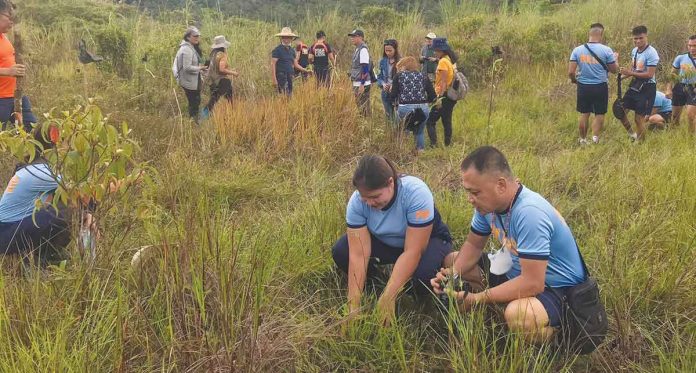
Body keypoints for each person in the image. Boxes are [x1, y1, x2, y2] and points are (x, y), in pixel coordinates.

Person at [431, 146, 594, 344]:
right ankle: (491, 306)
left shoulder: (529, 212)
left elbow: (533, 283)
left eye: (475, 192)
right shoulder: (486, 207)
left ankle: (563, 338)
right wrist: (451, 274)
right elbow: (473, 246)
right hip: (516, 271)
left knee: (518, 315)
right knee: (452, 260)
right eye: (468, 192)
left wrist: (477, 299)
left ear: (500, 185)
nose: (470, 199)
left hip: (558, 289)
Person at [331, 155, 452, 324]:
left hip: (427, 241)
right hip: (388, 243)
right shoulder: (357, 204)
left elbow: (413, 251)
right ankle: (377, 286)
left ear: (390, 183)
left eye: (375, 197)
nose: (369, 203)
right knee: (342, 250)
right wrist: (353, 307)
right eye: (364, 198)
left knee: (421, 277)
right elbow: (358, 255)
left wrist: (390, 295)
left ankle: (421, 295)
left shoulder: (416, 193)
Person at [0, 124, 70, 264]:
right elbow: (82, 194)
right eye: (65, 140)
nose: (68, 146)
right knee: (69, 212)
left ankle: (46, 254)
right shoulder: (43, 172)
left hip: (8, 230)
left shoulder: (34, 166)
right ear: (54, 142)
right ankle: (38, 261)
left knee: (63, 204)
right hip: (7, 234)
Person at [568, 23, 618, 144]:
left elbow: (570, 72)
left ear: (589, 34)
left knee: (584, 113)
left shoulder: (577, 50)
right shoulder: (606, 50)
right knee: (599, 113)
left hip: (583, 87)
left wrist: (575, 81)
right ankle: (595, 139)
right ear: (601, 34)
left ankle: (583, 139)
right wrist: (615, 59)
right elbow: (614, 70)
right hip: (600, 86)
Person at [0, 3, 37, 131]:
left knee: (33, 130)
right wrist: (8, 71)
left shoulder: (4, 37)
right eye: (9, 17)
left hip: (16, 96)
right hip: (1, 99)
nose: (12, 22)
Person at [619, 25, 659, 141]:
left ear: (646, 36)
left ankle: (641, 143)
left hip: (647, 87)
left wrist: (630, 74)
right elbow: (633, 69)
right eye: (635, 39)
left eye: (641, 38)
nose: (638, 41)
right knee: (620, 112)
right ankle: (632, 135)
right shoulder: (634, 51)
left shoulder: (652, 53)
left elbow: (649, 75)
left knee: (638, 118)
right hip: (635, 84)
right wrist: (622, 76)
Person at [389, 56, 436, 152]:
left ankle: (400, 150)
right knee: (419, 132)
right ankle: (420, 152)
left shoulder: (399, 76)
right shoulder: (424, 76)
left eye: (400, 68)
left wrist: (391, 98)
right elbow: (433, 96)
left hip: (405, 107)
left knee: (400, 129)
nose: (399, 70)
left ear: (404, 67)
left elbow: (393, 95)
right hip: (423, 108)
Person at [427, 38, 458, 147]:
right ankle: (447, 144)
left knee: (430, 121)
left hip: (443, 95)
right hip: (449, 96)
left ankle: (433, 144)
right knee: (446, 120)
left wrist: (439, 98)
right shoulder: (448, 59)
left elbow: (443, 82)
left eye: (435, 50)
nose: (434, 52)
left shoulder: (443, 62)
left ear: (440, 50)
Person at [174, 26, 206, 124]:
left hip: (191, 80)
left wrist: (200, 69)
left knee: (195, 101)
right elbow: (187, 68)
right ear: (188, 37)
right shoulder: (186, 49)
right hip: (189, 81)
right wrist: (200, 68)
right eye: (195, 36)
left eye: (198, 36)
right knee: (194, 102)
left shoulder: (189, 47)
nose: (197, 38)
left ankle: (193, 121)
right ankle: (193, 122)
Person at [665, 35, 696, 135]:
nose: (692, 48)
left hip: (693, 88)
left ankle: (690, 137)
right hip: (680, 86)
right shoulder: (680, 58)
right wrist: (669, 89)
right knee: (675, 117)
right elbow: (672, 74)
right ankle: (673, 136)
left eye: (695, 46)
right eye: (690, 45)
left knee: (690, 115)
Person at [204, 35, 239, 114]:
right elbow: (221, 69)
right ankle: (203, 117)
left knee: (228, 95)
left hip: (212, 81)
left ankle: (232, 113)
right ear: (224, 46)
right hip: (222, 81)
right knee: (214, 100)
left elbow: (208, 67)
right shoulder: (222, 55)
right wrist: (234, 73)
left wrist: (229, 70)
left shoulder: (212, 54)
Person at [271, 27, 309, 96]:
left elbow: (295, 64)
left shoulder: (292, 51)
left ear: (291, 39)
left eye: (288, 38)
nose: (286, 40)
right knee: (285, 95)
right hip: (281, 76)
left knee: (290, 95)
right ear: (281, 38)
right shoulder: (277, 50)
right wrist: (274, 79)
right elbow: (273, 64)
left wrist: (305, 70)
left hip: (290, 76)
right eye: (284, 37)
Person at [348, 29, 372, 116]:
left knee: (364, 109)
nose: (352, 38)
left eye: (354, 36)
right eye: (352, 37)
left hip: (362, 84)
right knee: (360, 108)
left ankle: (368, 127)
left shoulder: (363, 50)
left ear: (361, 37)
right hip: (357, 82)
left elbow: (365, 68)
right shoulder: (357, 49)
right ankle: (365, 126)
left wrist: (362, 84)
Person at [377, 39, 400, 122]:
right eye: (386, 50)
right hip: (386, 92)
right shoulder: (382, 61)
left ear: (395, 49)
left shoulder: (401, 61)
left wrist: (394, 86)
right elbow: (379, 77)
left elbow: (404, 78)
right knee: (389, 116)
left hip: (398, 93)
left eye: (390, 50)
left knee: (398, 117)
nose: (388, 53)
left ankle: (399, 134)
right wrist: (383, 84)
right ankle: (390, 133)